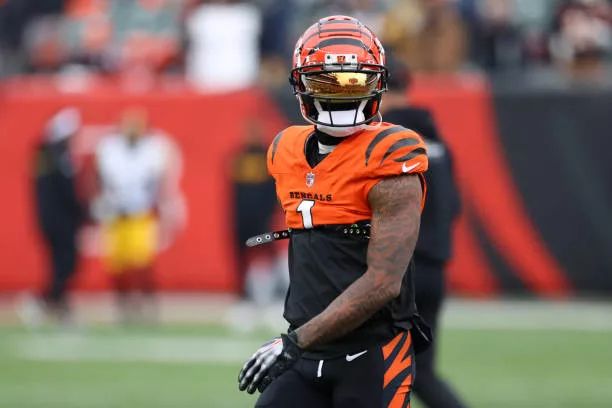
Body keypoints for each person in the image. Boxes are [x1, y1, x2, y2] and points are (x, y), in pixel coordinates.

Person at [238, 15, 430, 408]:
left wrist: (294, 341)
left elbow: (383, 283)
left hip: (371, 354)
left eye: (355, 81)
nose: (341, 94)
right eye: (325, 82)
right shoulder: (285, 149)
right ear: (300, 84)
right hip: (305, 354)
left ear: (377, 83)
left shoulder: (392, 154)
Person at [382, 57, 467, 408]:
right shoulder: (438, 141)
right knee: (420, 374)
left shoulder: (383, 139)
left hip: (397, 271)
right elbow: (454, 206)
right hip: (434, 268)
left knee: (370, 370)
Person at [92, 108, 185, 323]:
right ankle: (123, 306)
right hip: (116, 214)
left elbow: (158, 181)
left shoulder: (151, 150)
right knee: (118, 264)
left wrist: (158, 205)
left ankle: (147, 305)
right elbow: (98, 177)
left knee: (142, 263)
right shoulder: (109, 149)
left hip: (140, 213)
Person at [29, 107, 84, 325]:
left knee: (61, 264)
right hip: (60, 220)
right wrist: (80, 213)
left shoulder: (43, 154)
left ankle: (57, 305)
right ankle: (48, 302)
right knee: (65, 264)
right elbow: (66, 190)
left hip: (49, 218)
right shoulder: (58, 155)